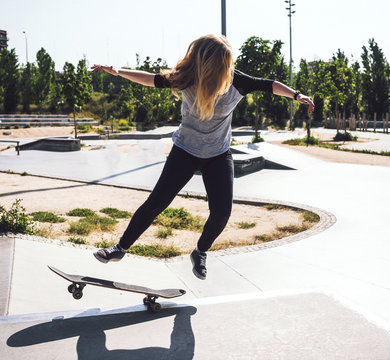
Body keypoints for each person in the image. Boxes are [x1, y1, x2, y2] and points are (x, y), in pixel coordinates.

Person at [91, 34, 314, 280]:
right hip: (185, 151)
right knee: (157, 202)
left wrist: (296, 95)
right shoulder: (187, 78)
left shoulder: (236, 80)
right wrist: (119, 72)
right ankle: (120, 248)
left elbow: (269, 84)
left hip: (218, 155)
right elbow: (151, 79)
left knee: (222, 212)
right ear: (208, 64)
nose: (227, 69)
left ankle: (200, 252)